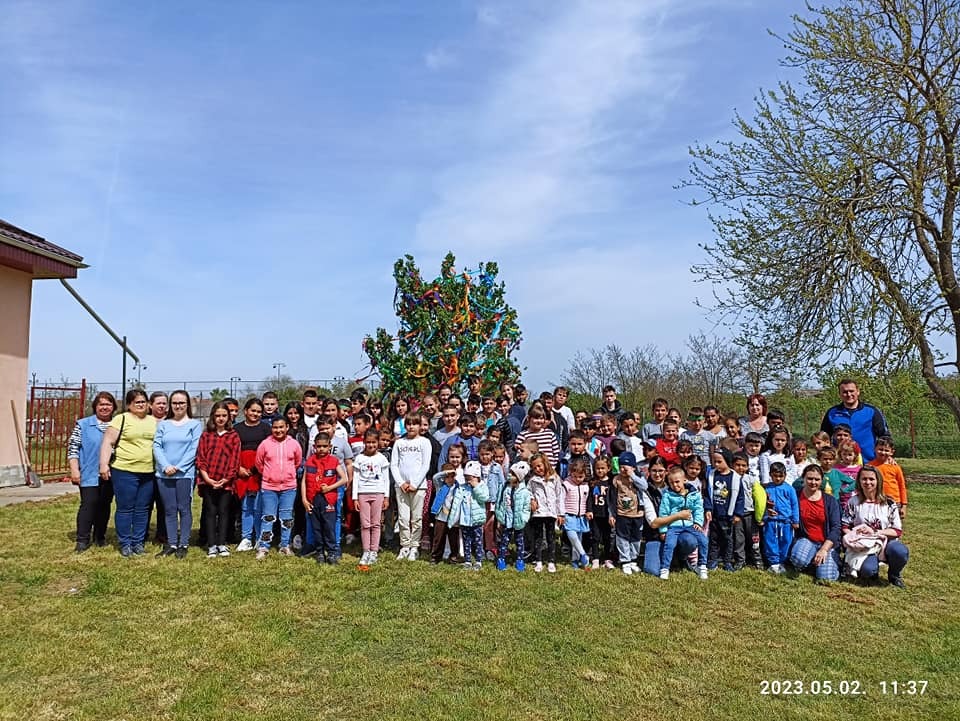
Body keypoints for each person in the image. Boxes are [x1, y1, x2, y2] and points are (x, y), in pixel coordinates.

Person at [98, 389, 157, 557]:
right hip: (124, 471)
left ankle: (138, 542)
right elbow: (108, 442)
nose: (141, 405)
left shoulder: (153, 421)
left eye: (143, 401)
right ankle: (125, 543)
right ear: (129, 405)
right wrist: (104, 465)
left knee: (142, 508)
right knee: (125, 508)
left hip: (148, 471)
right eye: (137, 402)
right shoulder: (121, 419)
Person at [153, 390, 202, 559]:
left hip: (184, 475)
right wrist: (165, 466)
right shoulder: (164, 425)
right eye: (174, 403)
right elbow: (157, 446)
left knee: (184, 508)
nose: (178, 406)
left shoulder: (195, 425)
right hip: (164, 474)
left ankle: (184, 544)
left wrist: (179, 467)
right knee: (169, 509)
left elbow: (194, 448)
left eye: (181, 403)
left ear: (187, 404)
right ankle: (172, 543)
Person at [841, 466, 909, 588]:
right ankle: (871, 567)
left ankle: (894, 575)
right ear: (859, 481)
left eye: (871, 479)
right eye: (864, 479)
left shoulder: (889, 503)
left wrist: (875, 532)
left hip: (885, 541)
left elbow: (897, 531)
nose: (868, 482)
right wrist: (854, 537)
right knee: (868, 571)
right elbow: (845, 525)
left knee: (900, 551)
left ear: (878, 481)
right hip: (863, 544)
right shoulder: (853, 502)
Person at [67, 391, 118, 552]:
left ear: (113, 407)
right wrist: (74, 470)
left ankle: (99, 536)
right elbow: (73, 448)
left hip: (110, 474)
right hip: (88, 472)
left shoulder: (117, 425)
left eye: (108, 404)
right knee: (88, 504)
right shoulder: (83, 425)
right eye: (101, 404)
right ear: (95, 406)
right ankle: (82, 539)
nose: (105, 407)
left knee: (104, 505)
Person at [196, 401, 240, 558]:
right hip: (208, 480)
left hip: (226, 482)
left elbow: (235, 460)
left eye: (224, 415)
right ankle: (211, 545)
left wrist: (226, 479)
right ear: (213, 417)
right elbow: (200, 458)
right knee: (210, 512)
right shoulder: (206, 435)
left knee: (223, 512)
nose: (221, 418)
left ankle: (221, 543)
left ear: (228, 417)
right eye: (218, 415)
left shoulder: (233, 436)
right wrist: (207, 478)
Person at [254, 417, 303, 559]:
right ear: (272, 428)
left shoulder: (294, 444)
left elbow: (297, 462)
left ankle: (285, 545)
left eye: (281, 427)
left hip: (288, 487)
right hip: (269, 487)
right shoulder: (265, 444)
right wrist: (270, 475)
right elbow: (259, 463)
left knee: (287, 517)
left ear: (287, 427)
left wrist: (288, 475)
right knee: (268, 517)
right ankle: (264, 546)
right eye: (275, 427)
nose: (278, 430)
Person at [788, 464, 842, 583]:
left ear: (821, 480)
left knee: (826, 578)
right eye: (810, 478)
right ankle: (812, 561)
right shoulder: (795, 496)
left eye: (817, 479)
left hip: (827, 543)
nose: (813, 482)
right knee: (798, 560)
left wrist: (824, 549)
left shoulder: (830, 501)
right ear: (803, 478)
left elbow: (836, 528)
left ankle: (829, 563)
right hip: (806, 540)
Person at [391, 414, 432, 561]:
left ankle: (415, 546)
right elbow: (394, 465)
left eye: (414, 424)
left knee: (416, 518)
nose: (411, 427)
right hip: (401, 486)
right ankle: (405, 545)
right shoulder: (399, 443)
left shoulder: (425, 442)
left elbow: (425, 465)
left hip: (418, 487)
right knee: (403, 517)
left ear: (420, 426)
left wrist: (414, 484)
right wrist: (401, 482)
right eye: (408, 424)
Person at [820, 378, 891, 463]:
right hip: (841, 464)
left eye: (851, 391)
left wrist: (887, 456)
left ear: (858, 391)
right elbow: (824, 439)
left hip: (869, 462)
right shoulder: (832, 413)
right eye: (845, 392)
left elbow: (885, 436)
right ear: (840, 394)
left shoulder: (872, 411)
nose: (848, 394)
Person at [303, 432, 348, 565]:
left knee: (329, 527)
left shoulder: (334, 461)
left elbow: (344, 479)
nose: (321, 449)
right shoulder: (310, 461)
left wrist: (329, 487)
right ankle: (320, 552)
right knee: (316, 527)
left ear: (330, 447)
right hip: (313, 499)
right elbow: (304, 481)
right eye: (319, 446)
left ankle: (332, 552)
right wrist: (304, 500)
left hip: (328, 499)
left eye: (324, 446)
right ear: (314, 447)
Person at [657, 467, 709, 580]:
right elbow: (663, 513)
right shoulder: (667, 495)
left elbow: (698, 509)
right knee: (669, 545)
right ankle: (665, 568)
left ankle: (702, 566)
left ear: (684, 480)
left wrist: (698, 522)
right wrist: (663, 530)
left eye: (677, 482)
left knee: (704, 541)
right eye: (671, 483)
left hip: (690, 525)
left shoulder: (694, 494)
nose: (674, 485)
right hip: (674, 526)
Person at [234, 398, 270, 552]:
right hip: (242, 472)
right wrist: (239, 468)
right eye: (253, 410)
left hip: (260, 472)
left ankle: (260, 537)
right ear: (246, 411)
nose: (255, 414)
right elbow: (232, 451)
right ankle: (246, 537)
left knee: (259, 506)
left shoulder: (266, 428)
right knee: (246, 506)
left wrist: (256, 468)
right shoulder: (237, 428)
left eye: (259, 412)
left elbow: (269, 450)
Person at [351, 430, 389, 570]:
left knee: (376, 524)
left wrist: (386, 496)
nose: (371, 445)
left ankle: (374, 551)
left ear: (378, 442)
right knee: (365, 524)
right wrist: (355, 498)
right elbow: (355, 479)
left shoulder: (381, 459)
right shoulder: (359, 458)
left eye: (373, 442)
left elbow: (386, 479)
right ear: (364, 443)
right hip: (363, 493)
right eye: (368, 442)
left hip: (378, 493)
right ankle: (366, 551)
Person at [608, 451, 649, 575]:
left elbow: (644, 487)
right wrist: (612, 514)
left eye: (626, 467)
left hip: (637, 514)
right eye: (621, 467)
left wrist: (633, 475)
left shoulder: (638, 477)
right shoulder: (616, 480)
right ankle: (625, 560)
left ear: (633, 467)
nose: (623, 470)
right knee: (622, 538)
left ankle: (633, 559)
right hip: (622, 514)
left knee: (636, 538)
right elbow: (611, 499)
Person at [449, 460, 490, 570]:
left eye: (470, 477)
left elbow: (484, 498)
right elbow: (456, 503)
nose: (468, 480)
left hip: (477, 520)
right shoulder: (462, 488)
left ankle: (478, 560)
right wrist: (452, 519)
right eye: (466, 477)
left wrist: (476, 487)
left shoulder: (482, 486)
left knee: (478, 541)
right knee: (466, 541)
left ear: (476, 477)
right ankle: (467, 560)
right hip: (465, 520)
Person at [760, 461, 799, 574]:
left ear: (785, 475)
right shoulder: (766, 488)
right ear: (770, 475)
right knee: (770, 541)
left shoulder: (789, 489)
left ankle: (782, 561)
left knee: (786, 541)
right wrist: (765, 515)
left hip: (786, 522)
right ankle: (774, 563)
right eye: (775, 476)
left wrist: (795, 520)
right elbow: (762, 504)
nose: (778, 478)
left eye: (780, 476)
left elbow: (794, 505)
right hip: (771, 521)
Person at [527, 452, 563, 573]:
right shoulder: (532, 481)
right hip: (539, 513)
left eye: (539, 466)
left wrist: (560, 513)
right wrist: (531, 500)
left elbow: (559, 496)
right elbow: (528, 493)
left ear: (545, 464)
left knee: (551, 537)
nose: (538, 469)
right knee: (538, 538)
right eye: (535, 467)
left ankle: (551, 561)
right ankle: (538, 560)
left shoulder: (555, 478)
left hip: (551, 512)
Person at [560, 458, 592, 569]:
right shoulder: (566, 484)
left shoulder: (586, 485)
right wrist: (561, 514)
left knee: (578, 538)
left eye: (580, 477)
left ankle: (575, 559)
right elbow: (561, 499)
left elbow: (587, 500)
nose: (577, 479)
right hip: (569, 514)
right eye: (574, 476)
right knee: (572, 535)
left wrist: (588, 511)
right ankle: (583, 554)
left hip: (581, 516)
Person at [869, 436, 908, 519]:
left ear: (892, 452)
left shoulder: (895, 467)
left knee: (894, 524)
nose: (883, 452)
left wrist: (904, 505)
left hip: (894, 502)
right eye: (880, 449)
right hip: (876, 501)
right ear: (874, 449)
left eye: (886, 450)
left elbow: (902, 486)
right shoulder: (870, 466)